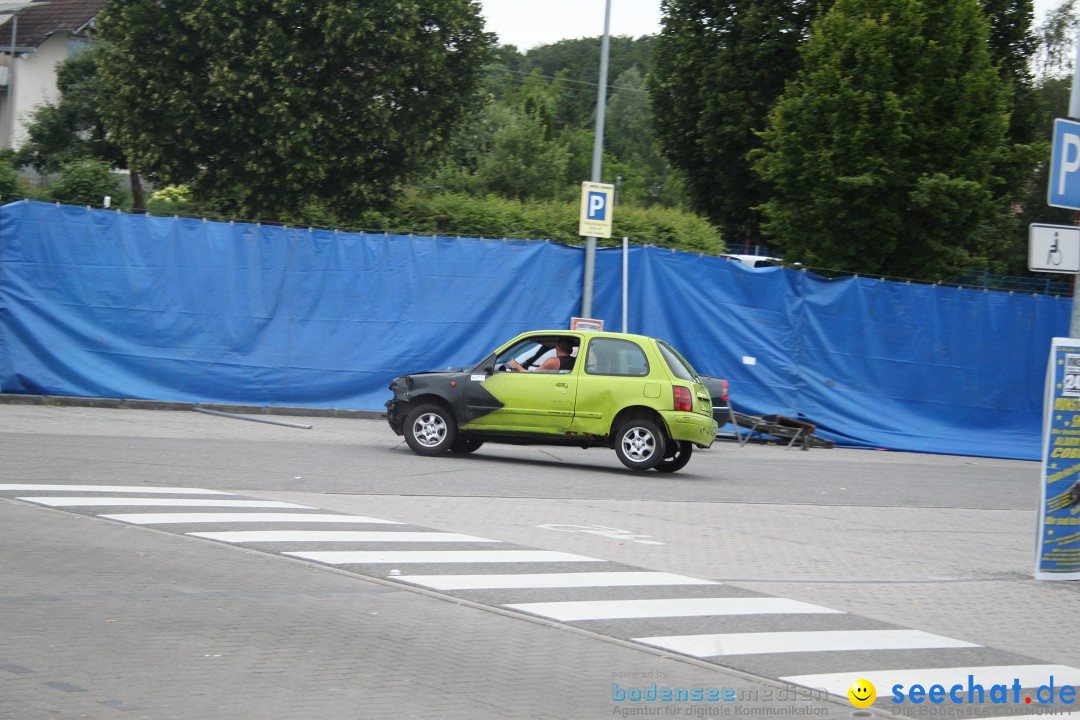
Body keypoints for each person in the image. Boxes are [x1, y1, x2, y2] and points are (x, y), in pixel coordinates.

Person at [508, 338, 575, 372]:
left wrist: (516, 366)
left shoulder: (553, 361)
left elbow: (532, 376)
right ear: (571, 350)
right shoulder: (575, 361)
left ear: (557, 347)